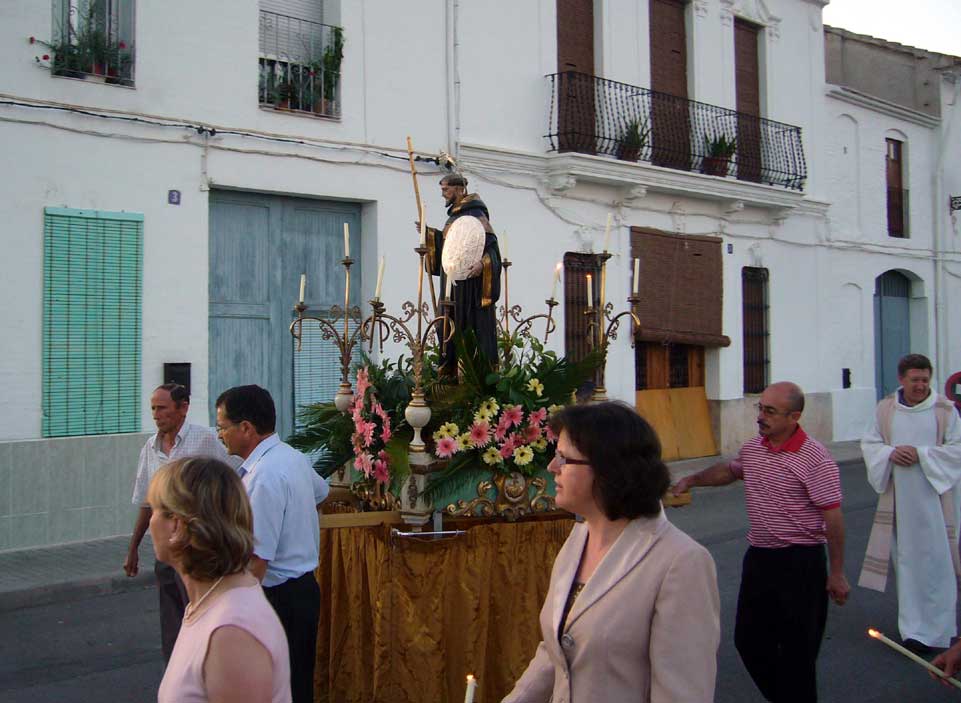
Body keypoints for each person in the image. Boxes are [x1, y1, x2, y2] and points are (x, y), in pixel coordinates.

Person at [503, 402, 720, 703]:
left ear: (607, 469)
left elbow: (682, 693)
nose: (552, 467)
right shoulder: (577, 539)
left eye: (563, 458)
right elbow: (556, 655)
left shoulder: (680, 562)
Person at [672, 381, 849, 703]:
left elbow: (833, 517)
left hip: (801, 563)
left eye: (770, 411)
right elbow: (731, 470)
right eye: (760, 408)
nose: (761, 416)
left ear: (794, 416)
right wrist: (693, 479)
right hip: (761, 559)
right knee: (749, 641)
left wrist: (836, 573)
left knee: (798, 652)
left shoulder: (815, 458)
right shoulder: (755, 449)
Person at [215, 385, 329, 703]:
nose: (220, 435)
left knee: (274, 689)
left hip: (279, 598)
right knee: (297, 684)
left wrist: (233, 614)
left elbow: (257, 561)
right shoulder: (292, 457)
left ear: (246, 428)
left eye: (222, 427)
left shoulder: (264, 476)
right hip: (303, 591)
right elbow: (321, 493)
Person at [150, 456, 291, 703]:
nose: (150, 521)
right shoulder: (212, 603)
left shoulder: (231, 634)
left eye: (154, 510)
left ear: (177, 526)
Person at [123, 383, 234, 662]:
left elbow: (233, 480)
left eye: (162, 408)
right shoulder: (150, 447)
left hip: (197, 548)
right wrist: (133, 547)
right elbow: (147, 501)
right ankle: (176, 674)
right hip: (165, 552)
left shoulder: (206, 439)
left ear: (182, 408)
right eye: (153, 409)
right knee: (171, 622)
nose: (156, 415)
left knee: (197, 615)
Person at [859, 353, 961, 654]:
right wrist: (890, 453)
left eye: (925, 380)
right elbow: (870, 443)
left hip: (935, 502)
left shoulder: (944, 410)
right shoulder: (886, 409)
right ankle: (914, 631)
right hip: (900, 504)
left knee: (939, 565)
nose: (920, 385)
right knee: (907, 564)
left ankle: (942, 629)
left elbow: (957, 448)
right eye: (915, 380)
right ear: (901, 379)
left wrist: (922, 455)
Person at [417, 173, 502, 371]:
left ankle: (474, 376)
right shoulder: (454, 217)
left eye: (446, 190)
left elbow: (493, 251)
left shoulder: (477, 215)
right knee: (445, 326)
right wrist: (429, 235)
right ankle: (449, 373)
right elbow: (448, 248)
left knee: (471, 329)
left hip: (472, 290)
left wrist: (483, 264)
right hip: (451, 286)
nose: (443, 195)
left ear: (459, 189)